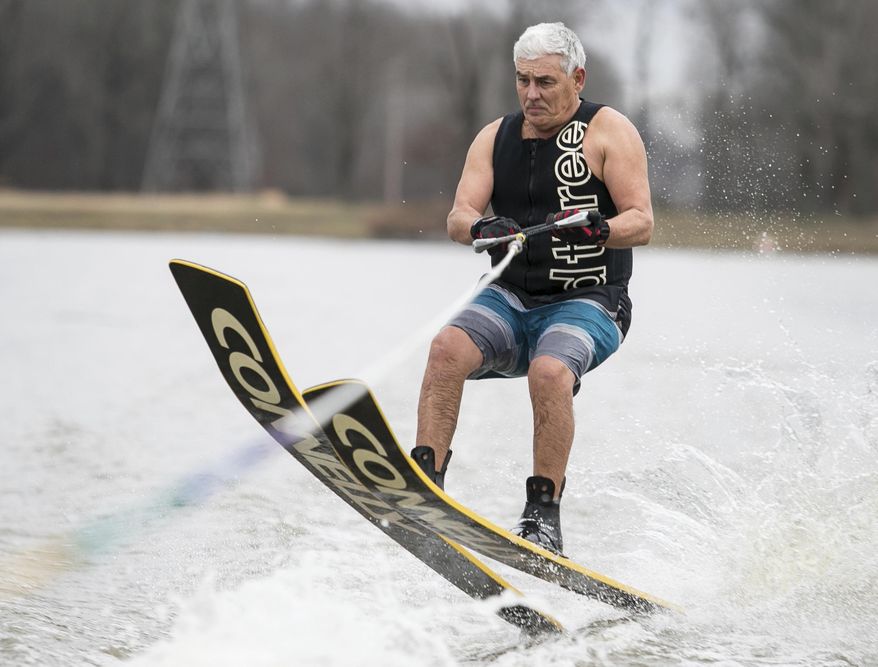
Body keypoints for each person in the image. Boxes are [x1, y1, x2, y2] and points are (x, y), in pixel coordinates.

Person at [410, 22, 653, 556]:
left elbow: (643, 220)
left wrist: (603, 228)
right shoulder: (494, 137)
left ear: (577, 78)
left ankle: (543, 517)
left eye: (544, 82)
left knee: (549, 372)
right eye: (522, 81)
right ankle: (424, 483)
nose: (531, 94)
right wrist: (479, 228)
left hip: (591, 300)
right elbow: (458, 217)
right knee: (445, 348)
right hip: (510, 297)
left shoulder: (610, 132)